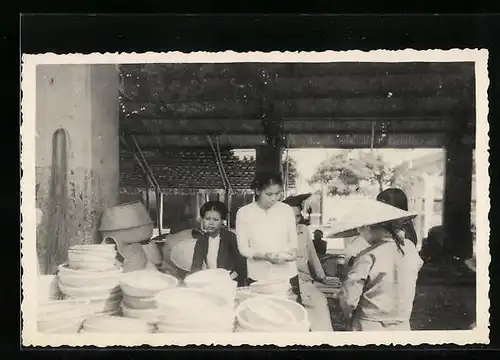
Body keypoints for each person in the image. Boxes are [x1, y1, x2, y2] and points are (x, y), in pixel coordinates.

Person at [336, 199, 423, 331]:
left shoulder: (368, 256)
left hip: (369, 324)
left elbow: (349, 298)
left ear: (367, 227)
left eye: (360, 230)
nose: (360, 235)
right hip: (402, 324)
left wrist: (347, 314)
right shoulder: (410, 249)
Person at [235, 171, 302, 303]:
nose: (274, 198)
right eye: (269, 194)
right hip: (259, 275)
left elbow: (293, 242)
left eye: (277, 194)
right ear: (257, 190)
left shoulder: (286, 210)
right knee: (262, 314)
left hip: (287, 274)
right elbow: (243, 249)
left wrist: (292, 253)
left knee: (290, 314)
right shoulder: (244, 213)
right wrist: (265, 256)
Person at [283, 194, 334, 331]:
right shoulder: (275, 232)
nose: (294, 220)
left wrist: (322, 277)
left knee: (321, 304)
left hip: (305, 283)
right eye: (290, 216)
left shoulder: (303, 230)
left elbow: (312, 256)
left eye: (297, 216)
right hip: (285, 284)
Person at [191, 201, 247, 287]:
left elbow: (241, 266)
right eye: (207, 219)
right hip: (211, 282)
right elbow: (196, 265)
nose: (211, 223)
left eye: (216, 219)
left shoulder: (231, 238)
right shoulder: (202, 240)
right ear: (202, 219)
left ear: (222, 221)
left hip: (231, 281)